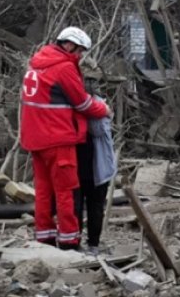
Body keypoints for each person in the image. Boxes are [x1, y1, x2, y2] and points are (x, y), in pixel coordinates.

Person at [19, 27, 111, 250]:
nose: (79, 56)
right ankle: (70, 241)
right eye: (79, 51)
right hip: (58, 138)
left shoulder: (37, 63)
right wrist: (104, 109)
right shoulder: (63, 68)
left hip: (34, 138)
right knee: (66, 191)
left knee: (43, 191)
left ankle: (45, 237)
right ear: (69, 45)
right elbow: (83, 103)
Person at [75, 89, 117, 255]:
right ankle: (81, 243)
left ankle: (91, 244)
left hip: (96, 165)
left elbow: (97, 129)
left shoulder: (95, 105)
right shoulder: (99, 105)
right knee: (84, 206)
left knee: (90, 206)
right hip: (85, 165)